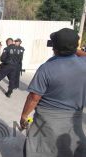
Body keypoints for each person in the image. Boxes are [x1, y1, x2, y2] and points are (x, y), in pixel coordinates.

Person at [20, 28, 86, 157]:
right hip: (74, 121)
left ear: (54, 47)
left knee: (36, 149)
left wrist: (24, 116)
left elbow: (34, 97)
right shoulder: (83, 64)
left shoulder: (46, 68)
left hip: (47, 121)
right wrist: (71, 49)